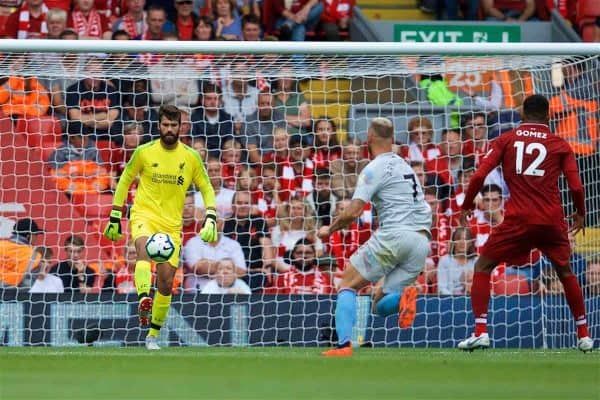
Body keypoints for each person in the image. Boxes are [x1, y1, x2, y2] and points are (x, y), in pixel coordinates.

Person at [457, 94, 593, 353]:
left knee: (483, 265)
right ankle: (584, 335)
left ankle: (481, 332)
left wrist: (466, 206)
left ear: (521, 114)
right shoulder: (560, 144)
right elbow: (576, 185)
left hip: (518, 218)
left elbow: (478, 175)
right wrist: (580, 213)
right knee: (565, 272)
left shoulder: (505, 140)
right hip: (551, 220)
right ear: (549, 115)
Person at [103, 104, 218, 350]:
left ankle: (152, 334)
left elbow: (207, 188)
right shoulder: (144, 152)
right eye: (165, 125)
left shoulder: (190, 157)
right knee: (143, 250)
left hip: (171, 224)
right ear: (158, 125)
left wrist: (210, 217)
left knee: (166, 282)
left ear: (180, 127)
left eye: (173, 126)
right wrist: (115, 214)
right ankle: (144, 296)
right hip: (144, 214)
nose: (169, 129)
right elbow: (124, 180)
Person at [318, 117, 432, 357]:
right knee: (379, 305)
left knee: (346, 285)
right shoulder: (404, 165)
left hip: (395, 235)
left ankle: (343, 346)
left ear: (369, 138)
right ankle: (403, 299)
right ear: (392, 139)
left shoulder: (373, 168)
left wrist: (329, 230)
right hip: (421, 241)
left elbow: (353, 211)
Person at [0, 218, 44, 289]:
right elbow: (26, 287)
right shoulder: (34, 256)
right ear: (28, 236)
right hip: (12, 297)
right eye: (35, 235)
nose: (36, 238)